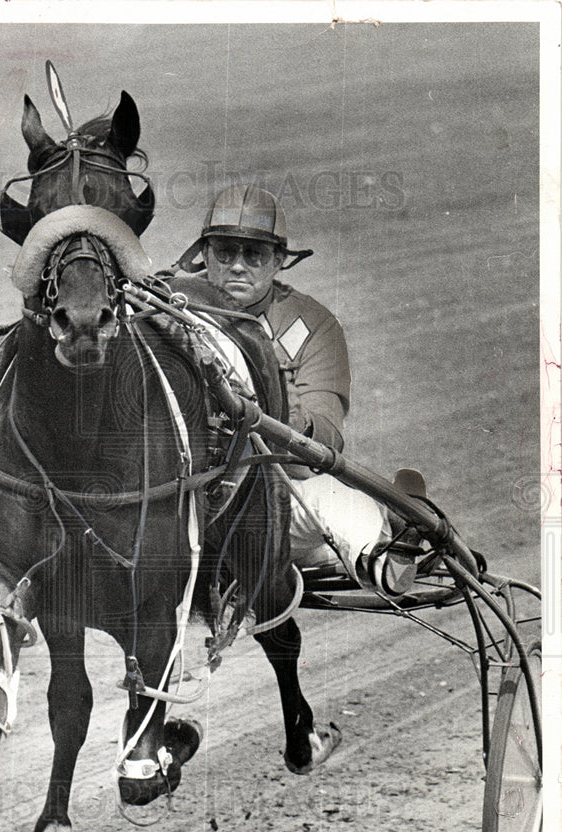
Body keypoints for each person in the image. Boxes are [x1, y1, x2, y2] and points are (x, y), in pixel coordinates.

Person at [167, 183, 421, 595]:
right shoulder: (169, 304)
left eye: (254, 255)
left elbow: (319, 451)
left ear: (279, 261)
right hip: (179, 495)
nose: (237, 266)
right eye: (225, 252)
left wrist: (277, 395)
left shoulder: (314, 326)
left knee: (333, 499)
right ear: (203, 254)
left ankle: (386, 560)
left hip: (272, 497)